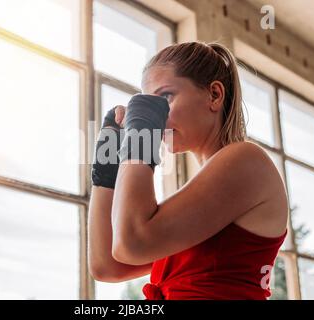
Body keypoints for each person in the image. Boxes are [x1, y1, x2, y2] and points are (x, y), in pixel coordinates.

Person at [88, 41, 288, 300]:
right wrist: (106, 169)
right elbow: (107, 265)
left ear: (214, 95)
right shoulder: (200, 201)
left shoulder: (246, 159)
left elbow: (132, 241)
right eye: (149, 104)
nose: (155, 116)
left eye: (165, 97)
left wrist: (139, 141)